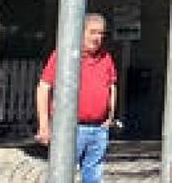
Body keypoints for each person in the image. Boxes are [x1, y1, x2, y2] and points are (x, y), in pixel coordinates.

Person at [34, 13, 117, 183]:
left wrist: (109, 117)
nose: (97, 38)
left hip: (98, 129)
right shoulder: (63, 55)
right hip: (70, 128)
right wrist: (44, 125)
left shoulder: (106, 58)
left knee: (94, 175)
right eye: (93, 32)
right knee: (62, 174)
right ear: (80, 32)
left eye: (101, 33)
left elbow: (112, 86)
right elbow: (44, 87)